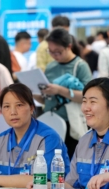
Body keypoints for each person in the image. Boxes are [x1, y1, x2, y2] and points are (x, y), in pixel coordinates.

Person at [0, 83, 70, 188]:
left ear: (32, 108)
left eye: (19, 105)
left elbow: (42, 181)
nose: (13, 112)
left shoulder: (48, 138)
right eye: (7, 107)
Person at [34, 28, 93, 158]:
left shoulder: (80, 65)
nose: (55, 55)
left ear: (69, 47)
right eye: (51, 52)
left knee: (70, 161)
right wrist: (33, 93)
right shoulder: (50, 67)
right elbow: (46, 99)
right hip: (50, 121)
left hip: (72, 123)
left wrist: (60, 90)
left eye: (58, 52)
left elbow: (87, 97)